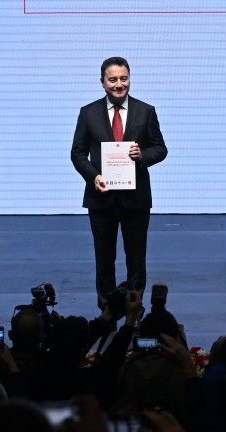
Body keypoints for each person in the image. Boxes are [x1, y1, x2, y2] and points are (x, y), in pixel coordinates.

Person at [71, 56, 168, 304]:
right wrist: (93, 177)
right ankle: (106, 307)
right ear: (102, 82)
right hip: (100, 197)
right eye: (112, 79)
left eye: (123, 78)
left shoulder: (146, 111)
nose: (118, 84)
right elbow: (78, 153)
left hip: (135, 199)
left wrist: (142, 155)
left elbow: (160, 149)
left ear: (129, 79)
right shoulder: (88, 112)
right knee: (104, 258)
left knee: (136, 258)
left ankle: (134, 308)